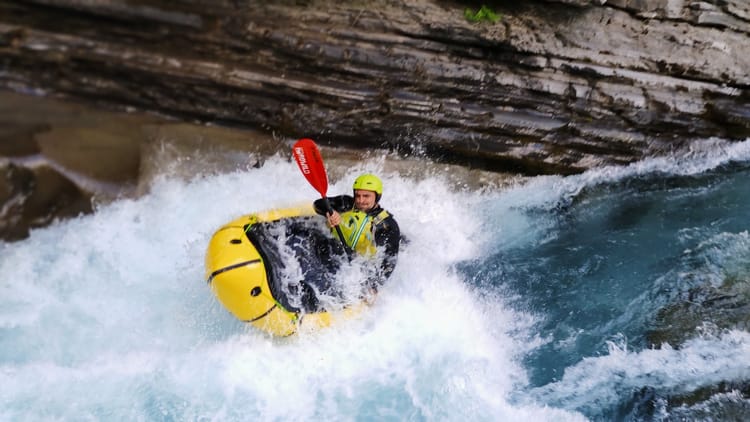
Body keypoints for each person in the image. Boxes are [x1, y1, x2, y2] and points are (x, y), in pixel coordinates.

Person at [313, 173, 400, 290]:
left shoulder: (386, 225)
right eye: (357, 195)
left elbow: (389, 261)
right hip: (330, 248)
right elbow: (318, 204)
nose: (360, 200)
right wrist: (331, 212)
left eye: (366, 196)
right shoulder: (346, 203)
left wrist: (374, 287)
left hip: (356, 265)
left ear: (377, 196)